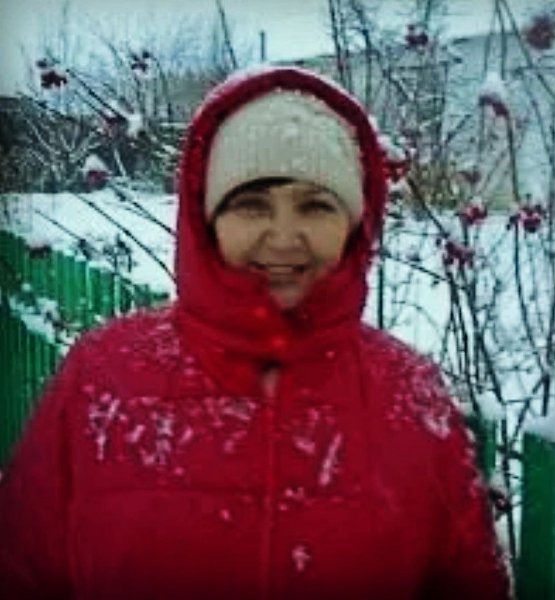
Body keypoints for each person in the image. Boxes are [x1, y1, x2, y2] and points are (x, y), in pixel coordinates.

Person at [0, 66, 511, 599]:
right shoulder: (103, 376)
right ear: (207, 219)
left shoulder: (411, 393)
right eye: (251, 204)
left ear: (356, 223)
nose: (284, 237)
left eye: (316, 205)